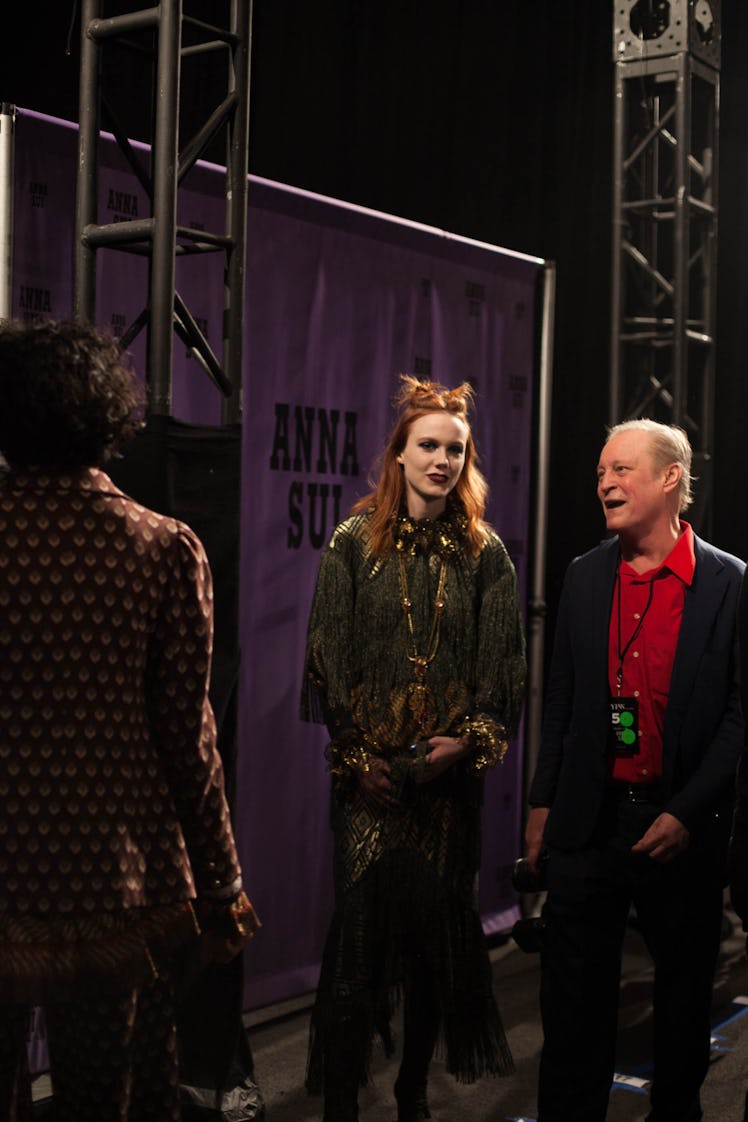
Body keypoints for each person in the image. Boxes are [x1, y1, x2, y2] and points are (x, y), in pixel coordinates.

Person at [0, 319, 259, 1122]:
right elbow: (190, 739)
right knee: (103, 1098)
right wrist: (221, 887)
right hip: (118, 883)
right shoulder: (164, 548)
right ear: (108, 416)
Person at [301, 375, 526, 1122]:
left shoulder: (485, 553)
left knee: (433, 956)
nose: (441, 460)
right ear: (398, 454)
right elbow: (328, 660)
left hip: (447, 792)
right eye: (427, 446)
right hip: (368, 787)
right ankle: (339, 1104)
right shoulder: (350, 541)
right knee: (356, 959)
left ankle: (410, 1096)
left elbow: (502, 681)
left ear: (468, 460)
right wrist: (356, 758)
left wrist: (461, 747)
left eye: (455, 450)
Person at [525, 418, 744, 1122]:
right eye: (599, 474)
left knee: (681, 1014)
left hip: (682, 826)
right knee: (572, 1014)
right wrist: (541, 804)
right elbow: (559, 699)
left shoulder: (731, 584)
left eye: (621, 470)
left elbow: (743, 715)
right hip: (589, 822)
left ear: (670, 479)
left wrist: (687, 813)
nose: (605, 484)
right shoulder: (586, 577)